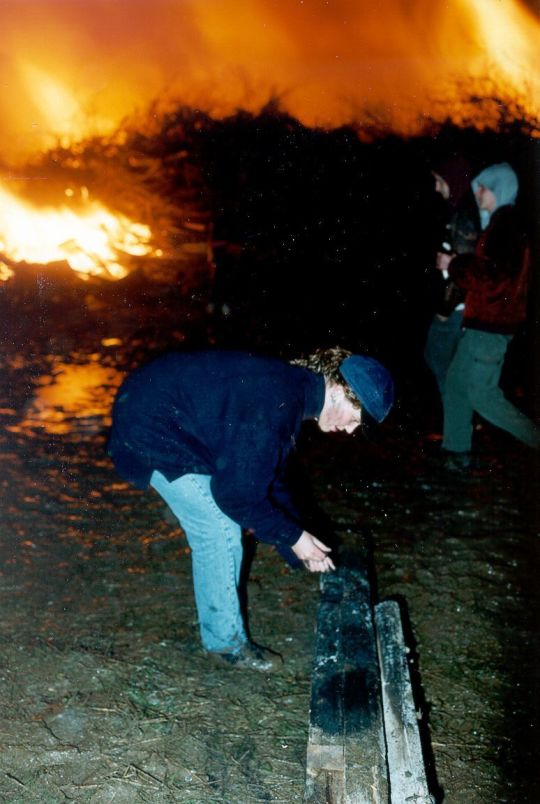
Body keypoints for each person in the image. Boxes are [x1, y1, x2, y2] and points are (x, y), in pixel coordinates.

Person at [108, 347, 394, 670]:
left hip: (163, 410)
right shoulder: (278, 405)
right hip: (149, 423)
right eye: (355, 419)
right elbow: (236, 497)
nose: (351, 430)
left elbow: (270, 479)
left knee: (226, 505)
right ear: (342, 392)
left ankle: (222, 634)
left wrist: (297, 547)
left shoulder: (294, 391)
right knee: (218, 527)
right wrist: (294, 537)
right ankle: (225, 645)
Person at [439, 162, 540, 468]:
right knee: (457, 382)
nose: (477, 192)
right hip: (485, 324)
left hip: (491, 327)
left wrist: (454, 265)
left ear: (496, 190)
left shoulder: (505, 228)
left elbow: (493, 279)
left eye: (482, 187)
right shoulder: (501, 225)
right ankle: (456, 452)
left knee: (483, 397)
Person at [424, 155, 480, 398]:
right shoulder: (459, 212)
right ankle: (460, 417)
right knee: (447, 363)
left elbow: (464, 274)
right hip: (460, 309)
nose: (437, 187)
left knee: (437, 355)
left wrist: (444, 310)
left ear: (452, 180)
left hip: (458, 310)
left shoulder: (464, 216)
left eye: (439, 181)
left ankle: (457, 416)